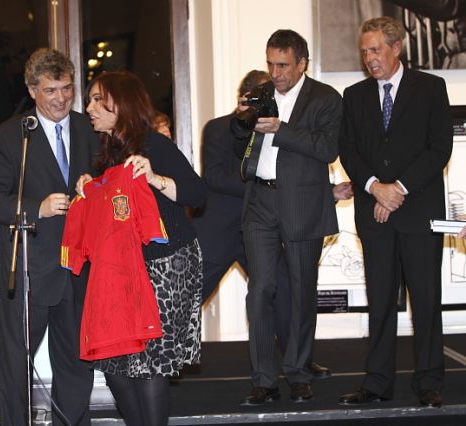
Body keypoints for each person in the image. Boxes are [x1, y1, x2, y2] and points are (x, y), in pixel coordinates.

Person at [193, 70, 351, 380]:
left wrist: (328, 193)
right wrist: (261, 186)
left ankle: (299, 360)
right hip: (220, 231)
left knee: (284, 293)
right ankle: (163, 359)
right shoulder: (219, 128)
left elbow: (291, 177)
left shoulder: (278, 128)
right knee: (189, 296)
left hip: (260, 227)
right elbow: (214, 177)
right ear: (244, 98)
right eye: (261, 99)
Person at [0, 48, 98, 426]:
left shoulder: (89, 128)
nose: (61, 98)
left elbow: (111, 186)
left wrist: (97, 187)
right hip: (30, 268)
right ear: (32, 90)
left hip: (80, 268)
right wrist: (35, 209)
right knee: (16, 366)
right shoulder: (12, 136)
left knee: (77, 365)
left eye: (67, 88)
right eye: (50, 91)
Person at [78, 70, 205, 426]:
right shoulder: (104, 152)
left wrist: (154, 178)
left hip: (166, 264)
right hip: (121, 269)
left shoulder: (153, 145)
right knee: (114, 364)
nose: (89, 108)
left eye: (97, 99)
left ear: (121, 103)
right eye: (89, 100)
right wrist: (89, 186)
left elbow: (197, 194)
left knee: (149, 363)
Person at [338, 16, 452, 408]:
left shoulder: (431, 88)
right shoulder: (354, 96)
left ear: (396, 48)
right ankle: (377, 383)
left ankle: (429, 381)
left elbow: (439, 148)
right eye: (364, 51)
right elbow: (349, 150)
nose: (369, 58)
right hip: (375, 214)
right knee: (380, 301)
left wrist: (398, 189)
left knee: (426, 300)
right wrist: (376, 188)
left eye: (375, 50)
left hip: (418, 213)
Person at [239, 30, 343, 405]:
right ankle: (264, 379)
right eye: (270, 64)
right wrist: (243, 119)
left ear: (302, 63)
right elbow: (240, 138)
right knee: (260, 290)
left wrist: (281, 130)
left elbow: (327, 149)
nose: (275, 72)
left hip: (302, 203)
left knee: (301, 291)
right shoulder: (263, 93)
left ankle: (298, 372)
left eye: (283, 65)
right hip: (260, 201)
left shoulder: (325, 98)